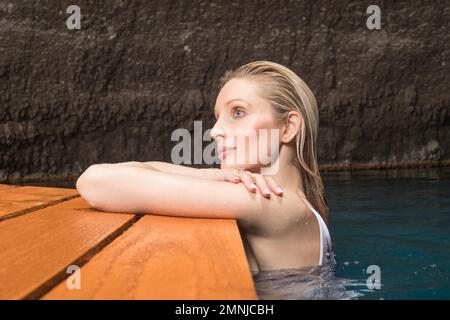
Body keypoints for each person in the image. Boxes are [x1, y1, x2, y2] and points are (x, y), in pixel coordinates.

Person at [76, 60, 331, 272]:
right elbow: (137, 168)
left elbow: (95, 182)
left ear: (288, 127)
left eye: (238, 112)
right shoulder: (296, 202)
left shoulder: (268, 200)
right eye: (218, 117)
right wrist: (213, 175)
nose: (215, 132)